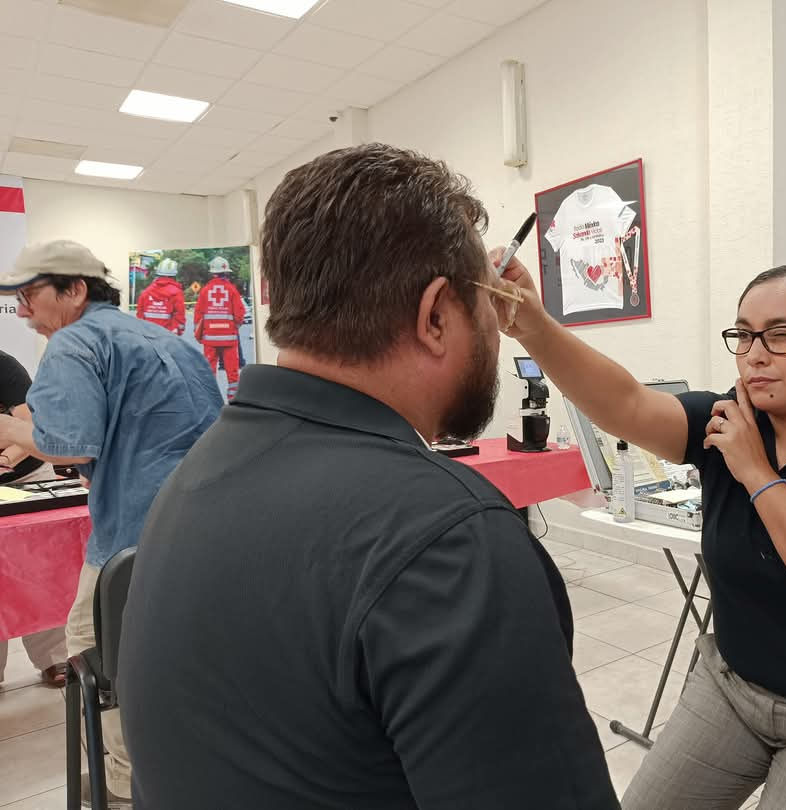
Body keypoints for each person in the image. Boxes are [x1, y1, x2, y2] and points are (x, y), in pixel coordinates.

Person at [119, 144, 619, 810]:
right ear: (437, 316)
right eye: (489, 303)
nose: (500, 329)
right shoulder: (449, 542)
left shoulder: (196, 475)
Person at [499, 259, 786, 810]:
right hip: (735, 690)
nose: (755, 353)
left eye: (783, 335)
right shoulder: (724, 420)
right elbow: (626, 404)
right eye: (744, 335)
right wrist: (534, 326)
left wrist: (758, 473)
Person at [0, 240, 223, 808]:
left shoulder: (74, 343)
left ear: (75, 290)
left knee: (97, 655)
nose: (21, 312)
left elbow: (67, 445)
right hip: (204, 531)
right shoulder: (168, 338)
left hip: (130, 542)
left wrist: (11, 429)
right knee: (183, 661)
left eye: (29, 296)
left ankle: (125, 787)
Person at [0, 349, 66, 690]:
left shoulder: (5, 366)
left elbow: (28, 426)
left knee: (40, 567)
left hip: (24, 474)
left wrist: (4, 461)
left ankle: (53, 656)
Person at [194, 255, 246, 400]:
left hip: (209, 339)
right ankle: (233, 400)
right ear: (226, 273)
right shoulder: (231, 290)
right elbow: (239, 314)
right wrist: (234, 327)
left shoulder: (205, 290)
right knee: (232, 371)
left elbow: (198, 315)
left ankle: (211, 399)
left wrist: (200, 336)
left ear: (212, 273)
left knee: (209, 370)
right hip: (229, 339)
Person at [134, 257, 186, 335]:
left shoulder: (146, 292)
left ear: (158, 274)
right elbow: (180, 316)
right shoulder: (176, 293)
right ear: (174, 275)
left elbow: (140, 314)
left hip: (149, 336)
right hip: (168, 336)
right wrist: (176, 332)